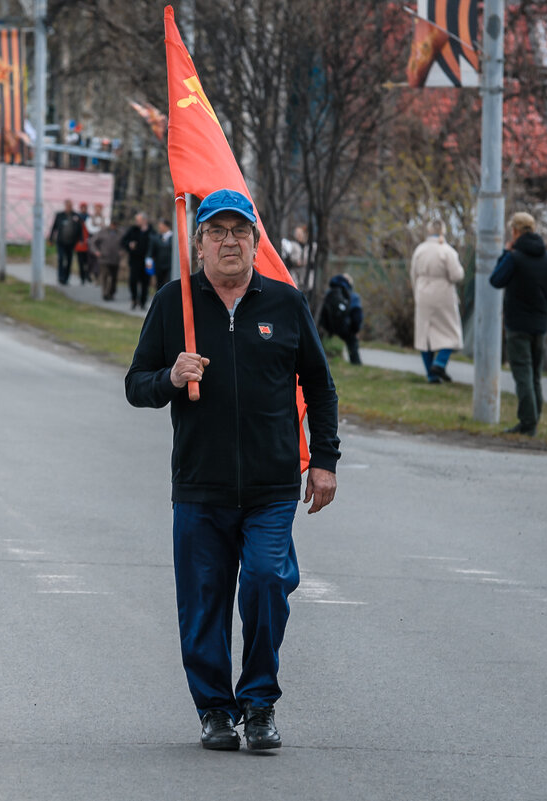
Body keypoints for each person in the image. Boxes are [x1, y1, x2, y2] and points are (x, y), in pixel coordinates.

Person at [125, 188, 340, 752]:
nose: (228, 242)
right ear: (198, 244)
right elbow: (135, 386)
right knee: (203, 604)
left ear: (254, 242)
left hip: (270, 486)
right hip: (200, 486)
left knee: (269, 584)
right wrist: (170, 378)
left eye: (239, 232)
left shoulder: (285, 304)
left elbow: (319, 385)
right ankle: (215, 710)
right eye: (216, 232)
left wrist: (324, 461)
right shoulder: (176, 304)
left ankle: (260, 702)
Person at [489, 211, 547, 436]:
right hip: (539, 325)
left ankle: (528, 423)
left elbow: (496, 280)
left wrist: (505, 253)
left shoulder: (514, 258)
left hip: (517, 325)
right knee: (535, 375)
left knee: (522, 374)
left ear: (515, 231)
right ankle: (534, 418)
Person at [410, 219, 465, 383]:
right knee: (451, 331)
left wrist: (417, 293)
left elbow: (413, 274)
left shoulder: (420, 250)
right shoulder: (447, 251)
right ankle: (440, 363)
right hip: (443, 294)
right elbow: (456, 275)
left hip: (423, 292)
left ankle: (431, 374)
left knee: (424, 335)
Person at [320, 273, 363, 365]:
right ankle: (355, 363)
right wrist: (355, 331)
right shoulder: (353, 296)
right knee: (352, 342)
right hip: (344, 328)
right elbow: (357, 317)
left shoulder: (327, 293)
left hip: (327, 328)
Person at [121, 212, 154, 309]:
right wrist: (129, 245)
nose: (136, 222)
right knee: (133, 281)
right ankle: (134, 299)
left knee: (145, 282)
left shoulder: (151, 231)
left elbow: (155, 244)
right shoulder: (133, 230)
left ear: (144, 220)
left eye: (138, 220)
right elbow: (124, 241)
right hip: (135, 260)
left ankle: (143, 301)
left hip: (147, 261)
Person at [49, 199, 83, 286]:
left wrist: (81, 240)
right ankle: (60, 277)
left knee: (69, 260)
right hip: (61, 242)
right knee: (61, 259)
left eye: (70, 206)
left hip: (71, 243)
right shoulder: (60, 215)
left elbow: (80, 229)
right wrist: (51, 239)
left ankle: (66, 278)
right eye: (67, 206)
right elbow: (54, 227)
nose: (69, 207)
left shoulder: (76, 216)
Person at [91, 217, 123, 302]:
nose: (114, 226)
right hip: (104, 259)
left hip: (115, 259)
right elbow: (92, 242)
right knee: (105, 276)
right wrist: (96, 251)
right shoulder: (103, 232)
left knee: (113, 278)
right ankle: (105, 293)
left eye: (115, 224)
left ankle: (111, 292)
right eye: (112, 224)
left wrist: (122, 251)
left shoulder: (120, 233)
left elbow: (124, 244)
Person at [147, 217, 174, 293]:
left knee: (169, 283)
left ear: (166, 226)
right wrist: (149, 261)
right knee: (159, 284)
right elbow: (151, 251)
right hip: (159, 265)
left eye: (160, 226)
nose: (159, 227)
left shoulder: (174, 237)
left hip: (170, 265)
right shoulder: (156, 238)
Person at [74, 202, 92, 284]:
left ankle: (87, 275)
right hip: (79, 244)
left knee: (88, 262)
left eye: (85, 207)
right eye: (82, 207)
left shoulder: (89, 218)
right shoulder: (77, 218)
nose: (84, 209)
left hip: (88, 243)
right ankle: (82, 277)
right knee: (81, 262)